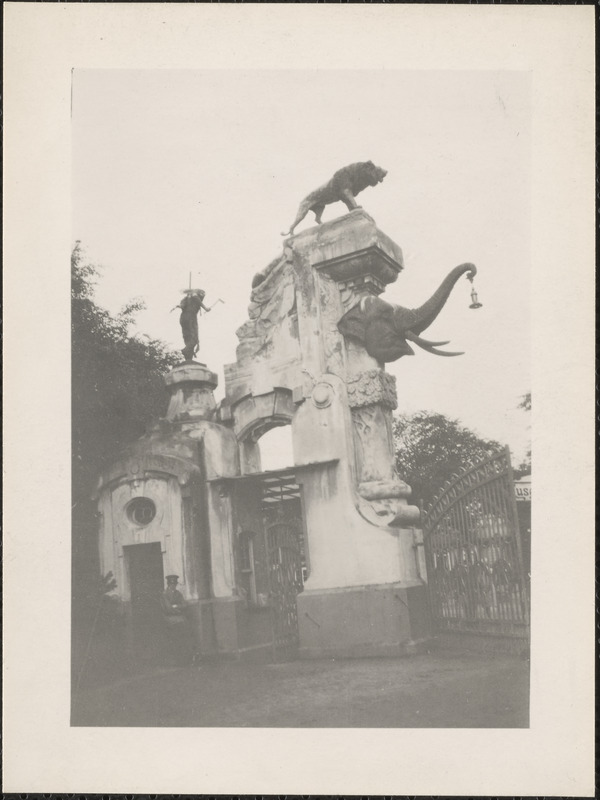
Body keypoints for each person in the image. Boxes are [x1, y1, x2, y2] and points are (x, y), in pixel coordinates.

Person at [160, 575, 198, 666]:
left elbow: (184, 605)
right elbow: (167, 609)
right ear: (168, 584)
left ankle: (185, 659)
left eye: (175, 584)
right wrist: (178, 608)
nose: (173, 586)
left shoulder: (178, 594)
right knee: (176, 636)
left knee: (185, 633)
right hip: (169, 618)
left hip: (179, 617)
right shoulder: (164, 595)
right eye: (171, 584)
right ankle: (176, 660)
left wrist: (176, 607)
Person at [174, 290, 211, 361]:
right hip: (191, 318)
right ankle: (185, 351)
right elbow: (197, 299)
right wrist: (206, 308)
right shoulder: (195, 297)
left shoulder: (186, 299)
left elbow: (182, 305)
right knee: (193, 338)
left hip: (183, 318)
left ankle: (188, 356)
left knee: (187, 338)